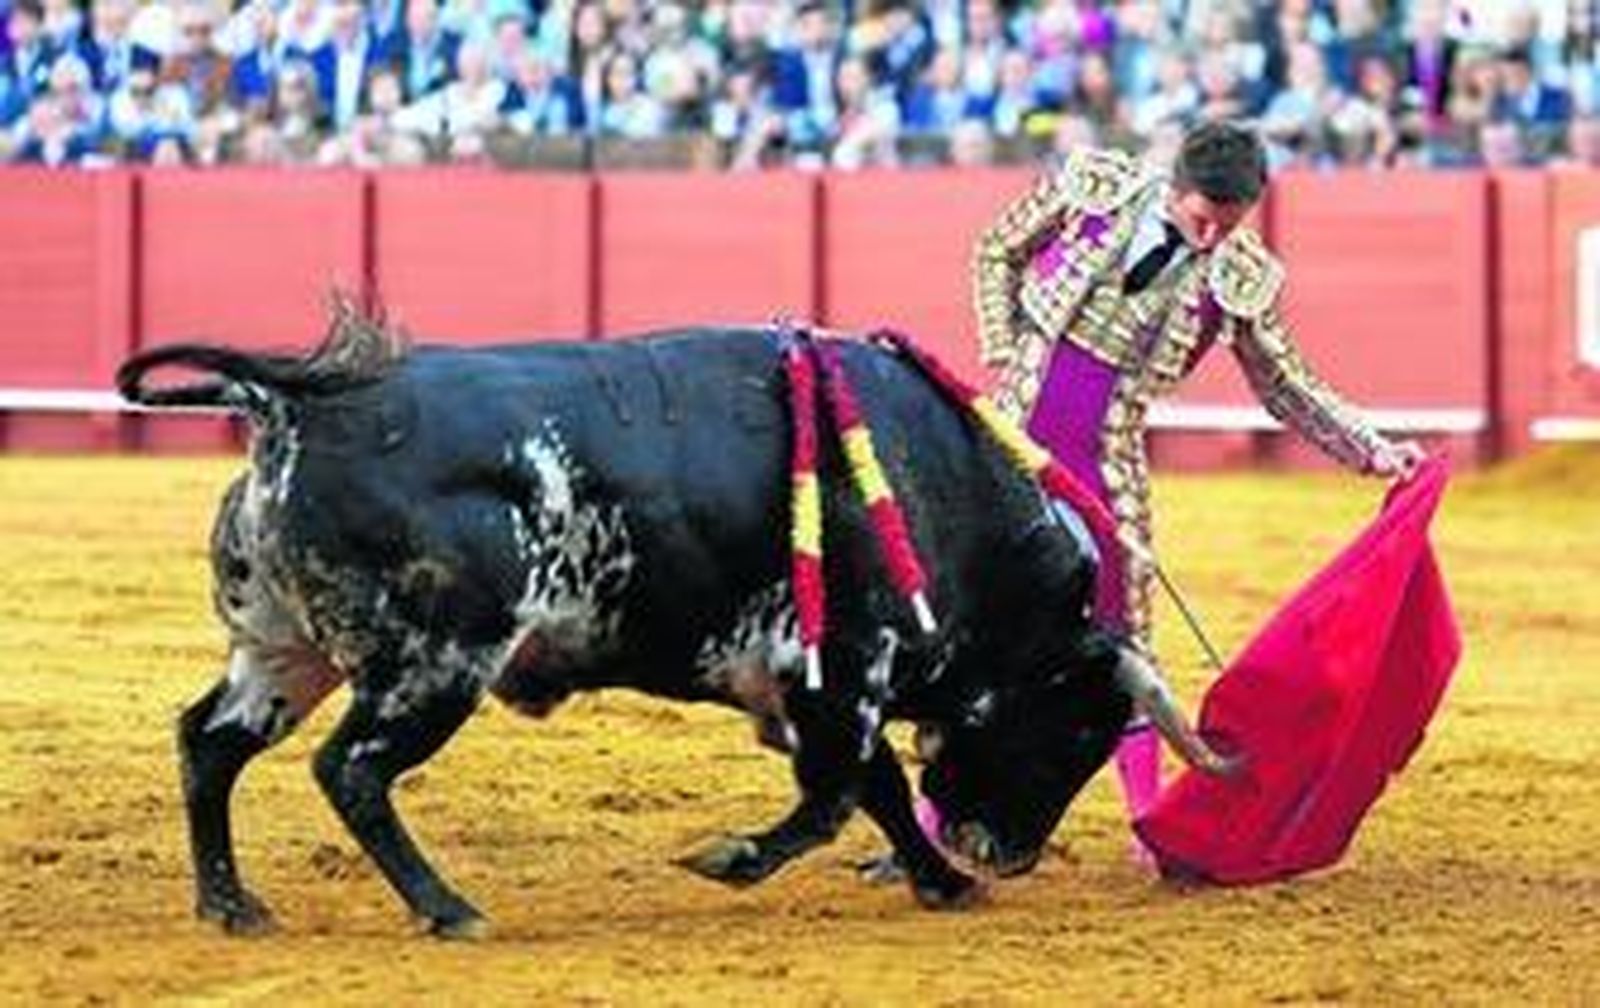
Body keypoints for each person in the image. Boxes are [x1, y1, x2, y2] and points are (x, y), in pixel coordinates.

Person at [971, 120, 1424, 860]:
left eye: (1229, 223)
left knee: (1124, 639)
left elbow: (1288, 386)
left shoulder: (1237, 274)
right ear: (1175, 186)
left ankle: (1149, 824)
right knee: (970, 622)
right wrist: (1004, 346)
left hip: (1103, 462)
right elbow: (996, 249)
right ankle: (929, 825)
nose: (1212, 237)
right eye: (1202, 219)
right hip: (1004, 440)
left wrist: (1374, 451)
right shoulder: (1096, 187)